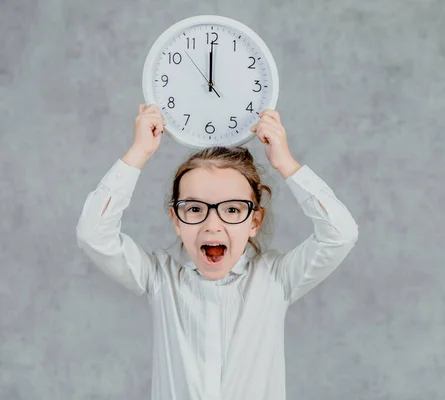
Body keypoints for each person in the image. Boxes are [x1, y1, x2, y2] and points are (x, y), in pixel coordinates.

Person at [75, 104, 359, 400]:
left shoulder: (275, 279)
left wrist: (285, 163)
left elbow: (340, 233)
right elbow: (93, 232)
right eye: (195, 209)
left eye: (233, 209)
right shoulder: (160, 278)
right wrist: (138, 153)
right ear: (176, 221)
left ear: (255, 221)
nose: (213, 225)